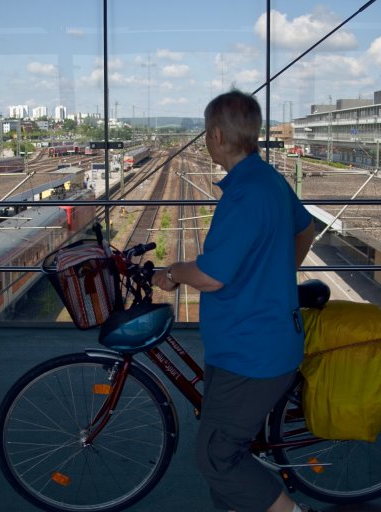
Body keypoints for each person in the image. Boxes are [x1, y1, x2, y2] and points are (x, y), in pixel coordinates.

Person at [153, 90, 316, 512]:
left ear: (219, 135)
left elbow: (209, 276)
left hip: (251, 352)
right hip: (259, 342)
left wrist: (172, 273)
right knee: (227, 453)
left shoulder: (245, 196)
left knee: (218, 459)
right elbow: (305, 230)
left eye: (207, 132)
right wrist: (276, 276)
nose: (207, 140)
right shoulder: (269, 180)